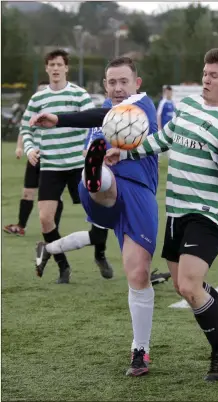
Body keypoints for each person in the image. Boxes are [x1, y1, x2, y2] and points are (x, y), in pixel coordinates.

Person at [105, 48, 218, 382]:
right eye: (204, 72)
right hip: (177, 212)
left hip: (208, 214)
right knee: (184, 286)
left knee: (188, 284)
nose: (205, 78)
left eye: (213, 75)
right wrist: (125, 154)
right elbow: (162, 139)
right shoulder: (186, 108)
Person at [30, 57, 159, 376]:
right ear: (105, 85)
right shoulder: (105, 109)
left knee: (138, 273)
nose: (117, 88)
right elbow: (99, 116)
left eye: (123, 81)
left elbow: (104, 115)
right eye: (111, 82)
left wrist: (60, 118)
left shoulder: (142, 104)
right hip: (107, 190)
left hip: (139, 191)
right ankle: (95, 175)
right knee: (98, 177)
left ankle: (140, 350)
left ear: (136, 83)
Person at [21, 49, 97, 284]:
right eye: (51, 65)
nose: (55, 68)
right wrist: (30, 149)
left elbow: (94, 122)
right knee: (45, 219)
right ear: (47, 68)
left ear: (66, 68)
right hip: (51, 166)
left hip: (77, 164)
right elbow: (26, 129)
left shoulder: (79, 94)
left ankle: (101, 254)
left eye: (59, 65)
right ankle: (63, 265)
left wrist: (90, 146)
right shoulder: (38, 99)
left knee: (100, 216)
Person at [3, 82, 58, 237]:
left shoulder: (56, 114)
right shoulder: (32, 112)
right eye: (39, 90)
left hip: (54, 158)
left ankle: (53, 227)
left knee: (53, 196)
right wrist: (20, 147)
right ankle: (21, 226)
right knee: (27, 192)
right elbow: (24, 130)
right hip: (35, 156)